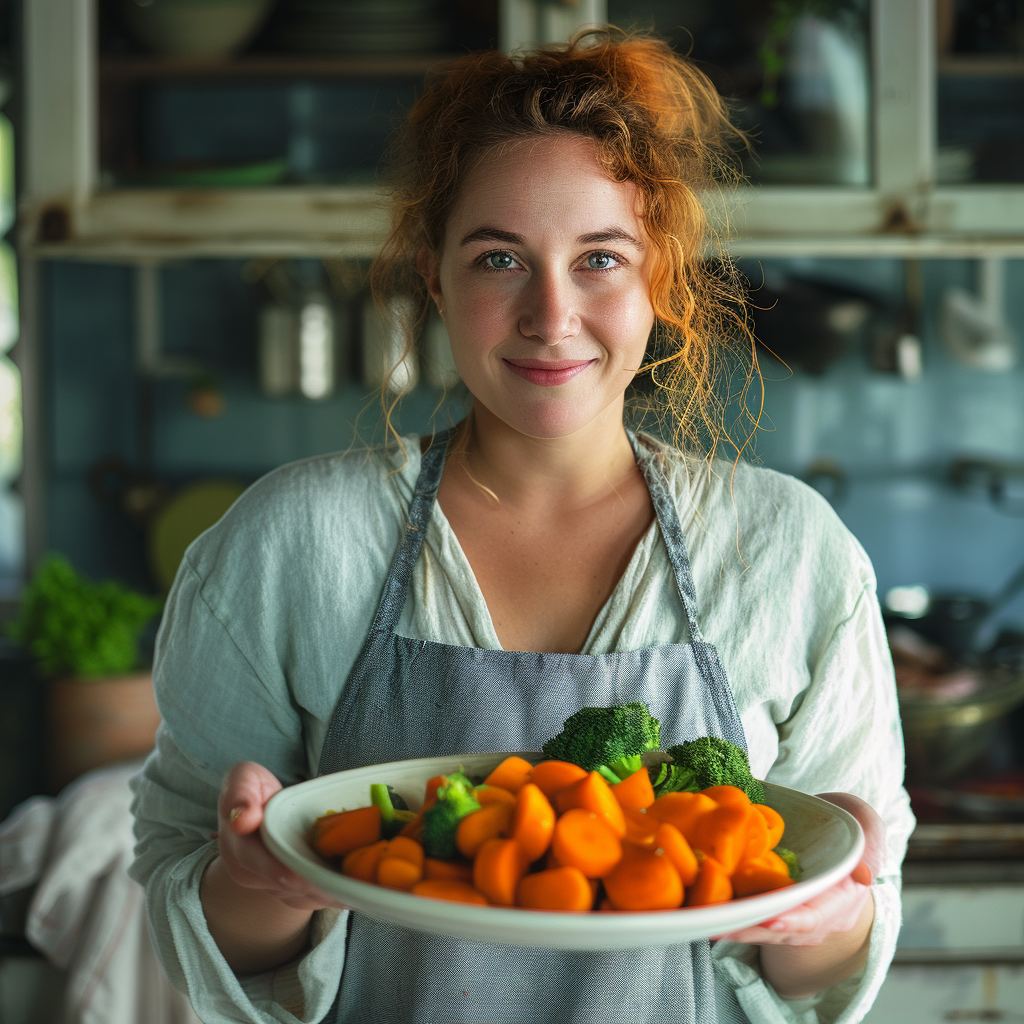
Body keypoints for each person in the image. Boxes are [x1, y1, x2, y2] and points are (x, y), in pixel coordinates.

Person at [129, 27, 914, 1024]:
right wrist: (262, 881)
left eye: (599, 259)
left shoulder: (789, 551)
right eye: (499, 257)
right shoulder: (290, 541)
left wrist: (821, 917)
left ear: (658, 281)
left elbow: (830, 963)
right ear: (434, 277)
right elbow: (192, 907)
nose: (551, 314)